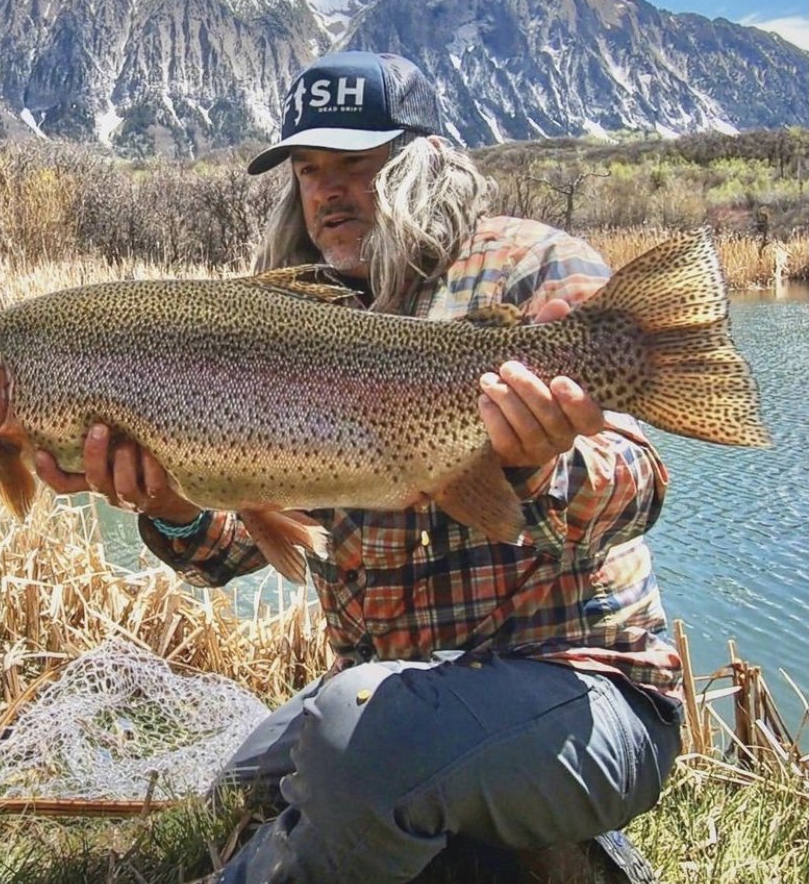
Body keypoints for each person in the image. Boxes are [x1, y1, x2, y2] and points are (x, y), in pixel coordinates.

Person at [36, 51, 682, 883]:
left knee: (349, 746)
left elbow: (640, 485)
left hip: (583, 690)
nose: (327, 192)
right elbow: (233, 548)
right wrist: (167, 501)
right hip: (404, 691)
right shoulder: (293, 319)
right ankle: (494, 844)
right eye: (309, 170)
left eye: (355, 164)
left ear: (420, 161)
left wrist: (538, 466)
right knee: (251, 779)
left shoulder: (534, 269)